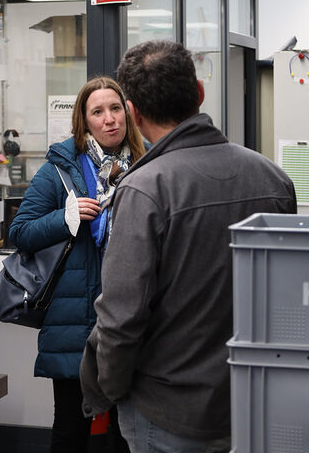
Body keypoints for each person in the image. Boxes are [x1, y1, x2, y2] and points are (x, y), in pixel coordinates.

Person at [80, 40, 297, 453]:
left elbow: (121, 319)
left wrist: (108, 390)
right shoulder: (273, 178)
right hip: (256, 405)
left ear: (133, 112)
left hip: (166, 413)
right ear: (199, 93)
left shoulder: (144, 189)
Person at [9, 76, 145, 453]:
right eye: (97, 112)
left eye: (115, 109)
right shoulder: (60, 168)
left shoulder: (149, 163)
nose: (109, 119)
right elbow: (19, 232)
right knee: (71, 428)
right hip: (75, 320)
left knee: (128, 432)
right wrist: (63, 219)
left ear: (128, 114)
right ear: (84, 122)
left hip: (132, 316)